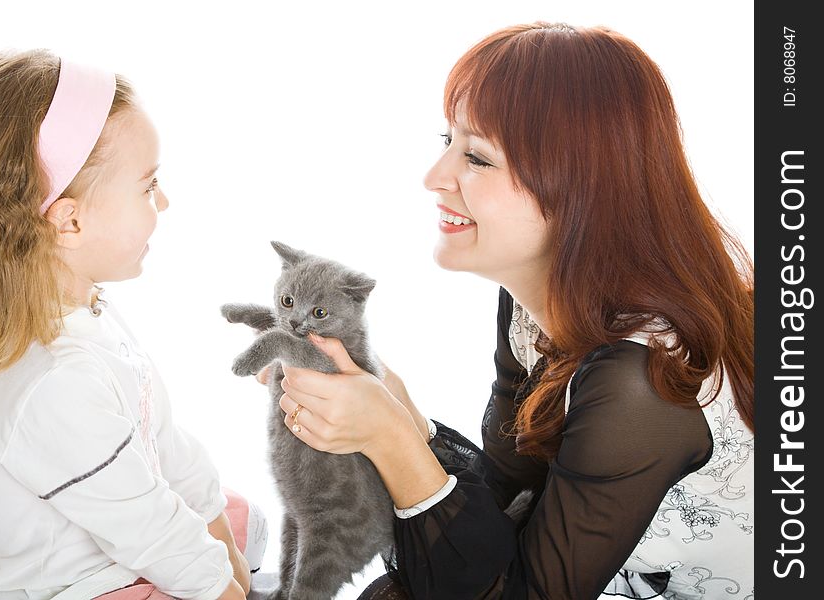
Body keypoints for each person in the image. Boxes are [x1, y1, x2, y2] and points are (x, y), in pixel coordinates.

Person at [266, 22, 754, 599]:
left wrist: (392, 441)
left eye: (476, 157)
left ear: (579, 185)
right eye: (446, 142)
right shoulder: (536, 302)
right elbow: (508, 498)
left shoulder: (639, 379)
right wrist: (403, 416)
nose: (435, 178)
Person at [0, 50, 264, 600]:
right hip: (74, 588)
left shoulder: (84, 304)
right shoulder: (49, 379)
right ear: (69, 221)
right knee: (199, 561)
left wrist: (222, 544)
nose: (163, 200)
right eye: (147, 185)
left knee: (239, 521)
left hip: (117, 522)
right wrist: (228, 587)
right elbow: (153, 532)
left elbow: (167, 445)